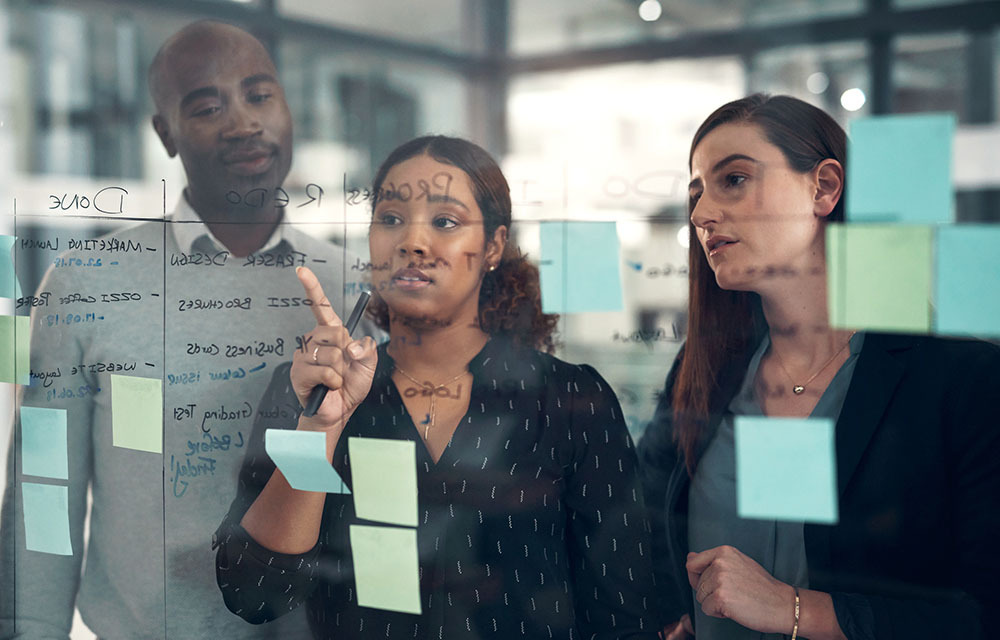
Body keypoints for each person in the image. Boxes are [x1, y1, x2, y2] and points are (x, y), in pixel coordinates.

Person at [1, 21, 368, 639]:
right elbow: (43, 492)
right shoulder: (83, 283)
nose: (244, 122)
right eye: (206, 105)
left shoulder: (353, 288)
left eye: (259, 95)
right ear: (165, 133)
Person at [214, 135, 660, 639]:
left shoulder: (570, 398)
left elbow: (623, 609)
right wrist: (319, 428)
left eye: (445, 221)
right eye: (390, 218)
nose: (412, 242)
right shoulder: (310, 389)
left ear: (493, 245)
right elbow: (254, 594)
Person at [637, 93, 1000, 640]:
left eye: (733, 180)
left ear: (824, 188)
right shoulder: (703, 371)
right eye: (697, 192)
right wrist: (668, 616)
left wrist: (793, 609)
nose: (701, 214)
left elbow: (983, 615)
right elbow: (637, 527)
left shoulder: (962, 381)